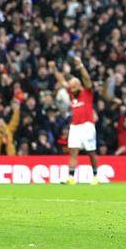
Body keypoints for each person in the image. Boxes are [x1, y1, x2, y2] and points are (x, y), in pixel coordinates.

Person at [49, 57, 99, 185]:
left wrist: (81, 66)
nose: (71, 88)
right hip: (75, 126)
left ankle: (95, 176)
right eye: (71, 86)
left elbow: (87, 79)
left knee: (91, 152)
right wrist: (54, 69)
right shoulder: (72, 94)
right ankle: (71, 178)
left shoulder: (87, 92)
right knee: (73, 152)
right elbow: (62, 81)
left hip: (87, 125)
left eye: (74, 86)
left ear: (79, 85)